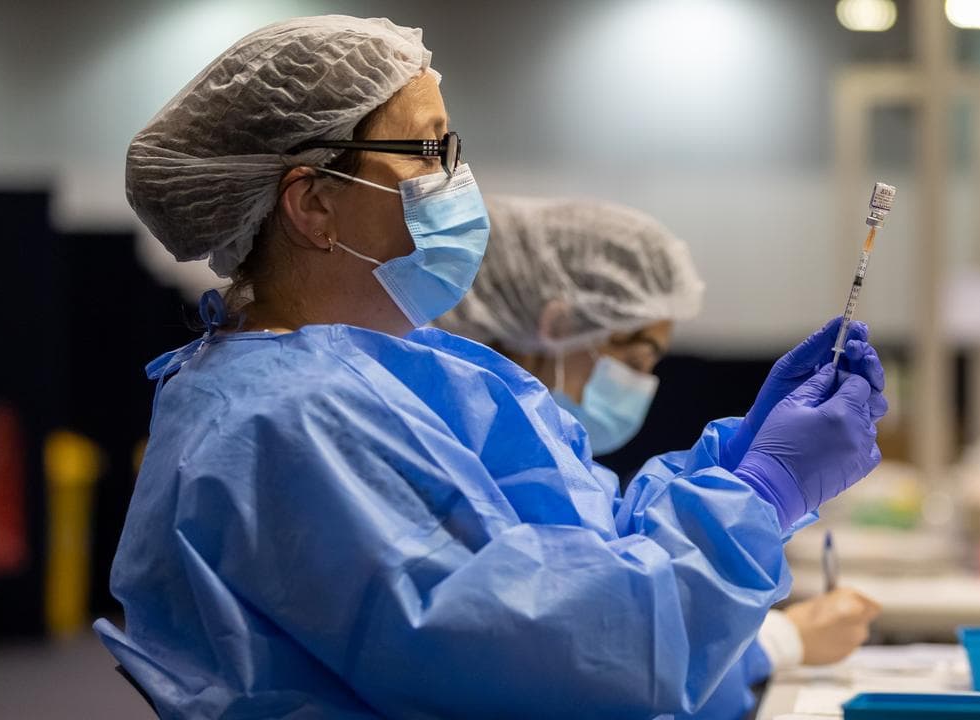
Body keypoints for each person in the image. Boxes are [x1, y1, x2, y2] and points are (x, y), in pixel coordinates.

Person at [96, 15, 887, 720]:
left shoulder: (391, 373)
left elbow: (578, 549)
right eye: (428, 150)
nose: (457, 181)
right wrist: (761, 494)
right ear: (314, 204)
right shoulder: (286, 420)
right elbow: (557, 652)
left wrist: (745, 461)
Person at [436, 195, 884, 716]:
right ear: (556, 327)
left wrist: (738, 463)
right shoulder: (464, 458)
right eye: (634, 358)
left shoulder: (554, 462)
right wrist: (763, 488)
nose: (642, 383)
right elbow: (593, 661)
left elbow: (625, 563)